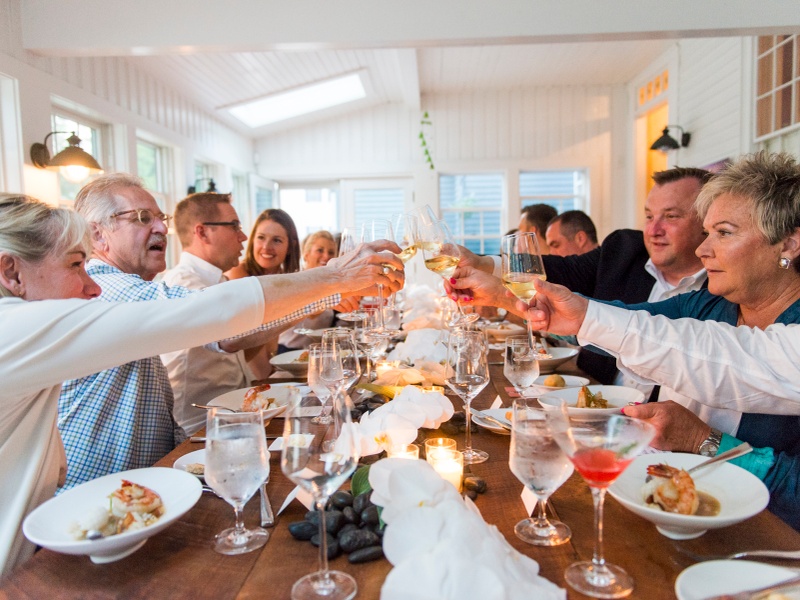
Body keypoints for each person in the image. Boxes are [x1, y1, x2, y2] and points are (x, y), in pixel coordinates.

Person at [0, 195, 401, 576]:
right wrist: (335, 277)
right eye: (76, 265)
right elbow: (207, 313)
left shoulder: (29, 339)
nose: (92, 288)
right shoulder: (13, 330)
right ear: (12, 272)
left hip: (70, 530)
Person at [58, 174, 400, 492]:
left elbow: (231, 327)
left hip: (148, 478)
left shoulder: (134, 289)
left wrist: (328, 292)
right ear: (97, 235)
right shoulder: (105, 287)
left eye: (161, 218)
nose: (162, 227)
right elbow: (221, 321)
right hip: (97, 496)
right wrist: (333, 278)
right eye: (143, 218)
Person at [516, 151, 800, 529]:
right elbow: (636, 324)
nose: (703, 249)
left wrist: (704, 441)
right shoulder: (708, 303)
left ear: (788, 244)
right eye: (707, 233)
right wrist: (545, 306)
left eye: (724, 233)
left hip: (763, 540)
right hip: (662, 515)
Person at [449, 166, 712, 390]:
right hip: (592, 394)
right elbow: (562, 269)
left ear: (707, 223)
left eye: (671, 216)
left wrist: (500, 295)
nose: (653, 230)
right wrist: (483, 263)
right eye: (649, 216)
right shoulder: (625, 249)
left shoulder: (721, 291)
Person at [159, 192, 252, 435]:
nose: (243, 236)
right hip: (197, 430)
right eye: (234, 226)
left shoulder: (219, 280)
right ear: (202, 232)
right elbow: (232, 339)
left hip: (230, 418)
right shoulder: (182, 284)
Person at [226, 209, 303, 376]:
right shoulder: (237, 273)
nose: (266, 247)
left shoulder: (282, 277)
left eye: (276, 240)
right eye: (261, 237)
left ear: (291, 247)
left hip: (270, 369)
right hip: (242, 377)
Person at [277, 230, 338, 354]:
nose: (326, 256)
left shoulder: (330, 286)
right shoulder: (294, 282)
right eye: (320, 250)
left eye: (331, 252)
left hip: (317, 353)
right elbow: (311, 313)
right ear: (306, 255)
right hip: (288, 353)